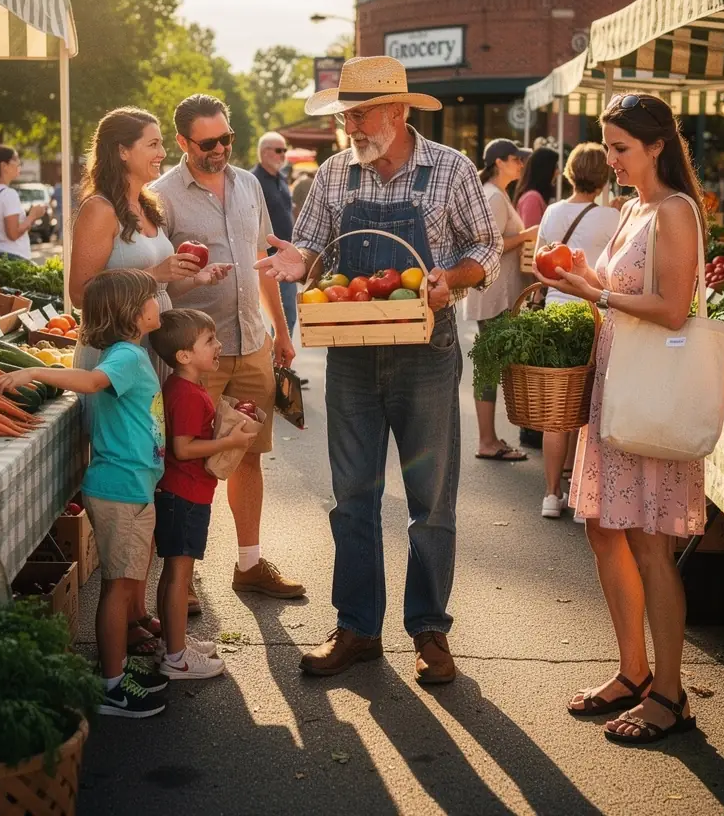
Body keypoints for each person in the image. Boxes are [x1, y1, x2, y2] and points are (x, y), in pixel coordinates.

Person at [256, 56, 502, 684]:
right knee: (353, 493)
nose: (351, 125)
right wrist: (296, 263)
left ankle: (429, 630)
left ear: (397, 112)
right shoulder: (336, 174)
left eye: (360, 113)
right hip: (353, 356)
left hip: (428, 350)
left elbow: (484, 249)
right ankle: (358, 627)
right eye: (346, 114)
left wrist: (455, 279)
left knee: (431, 499)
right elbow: (311, 245)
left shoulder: (448, 169)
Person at [535, 93, 704, 746]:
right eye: (606, 148)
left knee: (650, 543)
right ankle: (632, 672)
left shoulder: (676, 210)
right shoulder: (632, 208)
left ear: (657, 145)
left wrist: (593, 291)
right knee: (604, 528)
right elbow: (619, 291)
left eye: (622, 148)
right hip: (617, 384)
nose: (611, 160)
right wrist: (576, 270)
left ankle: (670, 692)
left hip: (650, 391)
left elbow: (671, 309)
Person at [71, 107, 231, 650]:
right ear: (121, 150)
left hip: (151, 353)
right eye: (152, 144)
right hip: (115, 360)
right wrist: (156, 273)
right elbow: (82, 291)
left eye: (162, 143)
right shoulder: (99, 209)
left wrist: (190, 278)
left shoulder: (149, 207)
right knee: (134, 471)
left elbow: (155, 293)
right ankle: (131, 613)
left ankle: (138, 611)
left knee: (153, 475)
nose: (161, 153)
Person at [0, 269, 174, 718]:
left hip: (131, 485)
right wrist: (36, 369)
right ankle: (112, 686)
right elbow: (93, 383)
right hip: (121, 489)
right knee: (116, 588)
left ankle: (117, 670)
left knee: (124, 581)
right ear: (133, 313)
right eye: (153, 298)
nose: (160, 304)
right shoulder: (126, 358)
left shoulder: (129, 351)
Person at [152, 94, 304, 601]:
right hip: (194, 356)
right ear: (182, 142)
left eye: (226, 139)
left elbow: (264, 263)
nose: (219, 149)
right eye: (207, 142)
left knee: (247, 454)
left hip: (252, 341)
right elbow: (156, 282)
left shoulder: (249, 184)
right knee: (188, 464)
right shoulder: (162, 196)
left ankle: (249, 564)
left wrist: (280, 333)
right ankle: (182, 576)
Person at [149, 308, 254, 679]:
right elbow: (184, 448)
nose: (219, 345)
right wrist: (230, 439)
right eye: (209, 341)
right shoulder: (188, 395)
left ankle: (172, 641)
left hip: (180, 493)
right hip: (185, 495)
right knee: (179, 573)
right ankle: (176, 658)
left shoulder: (183, 388)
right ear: (184, 356)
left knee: (172, 572)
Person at [534, 143, 620, 519]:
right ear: (605, 176)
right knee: (591, 406)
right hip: (595, 313)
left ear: (569, 172)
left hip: (554, 313)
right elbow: (613, 275)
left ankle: (551, 496)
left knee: (558, 410)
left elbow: (539, 268)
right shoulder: (614, 218)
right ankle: (585, 497)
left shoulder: (552, 212)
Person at [464, 138, 536, 462]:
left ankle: (489, 438)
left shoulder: (498, 194)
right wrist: (526, 235)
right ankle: (486, 441)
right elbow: (489, 248)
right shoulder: (493, 196)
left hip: (498, 293)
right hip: (494, 294)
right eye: (516, 158)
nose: (521, 164)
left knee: (490, 366)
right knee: (489, 367)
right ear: (499, 162)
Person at [251, 132, 297, 337]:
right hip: (266, 258)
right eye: (279, 150)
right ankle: (274, 363)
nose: (283, 155)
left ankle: (279, 364)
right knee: (275, 314)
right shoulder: (253, 180)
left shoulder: (281, 178)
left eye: (285, 150)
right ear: (264, 152)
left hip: (285, 256)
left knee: (288, 313)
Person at [0, 146, 45, 261]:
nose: (19, 164)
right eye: (16, 159)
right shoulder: (8, 194)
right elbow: (13, 234)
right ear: (4, 166)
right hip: (14, 257)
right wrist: (33, 216)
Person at [514, 146, 559, 228]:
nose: (558, 172)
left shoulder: (536, 196)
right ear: (545, 169)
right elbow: (531, 237)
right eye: (555, 167)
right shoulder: (532, 198)